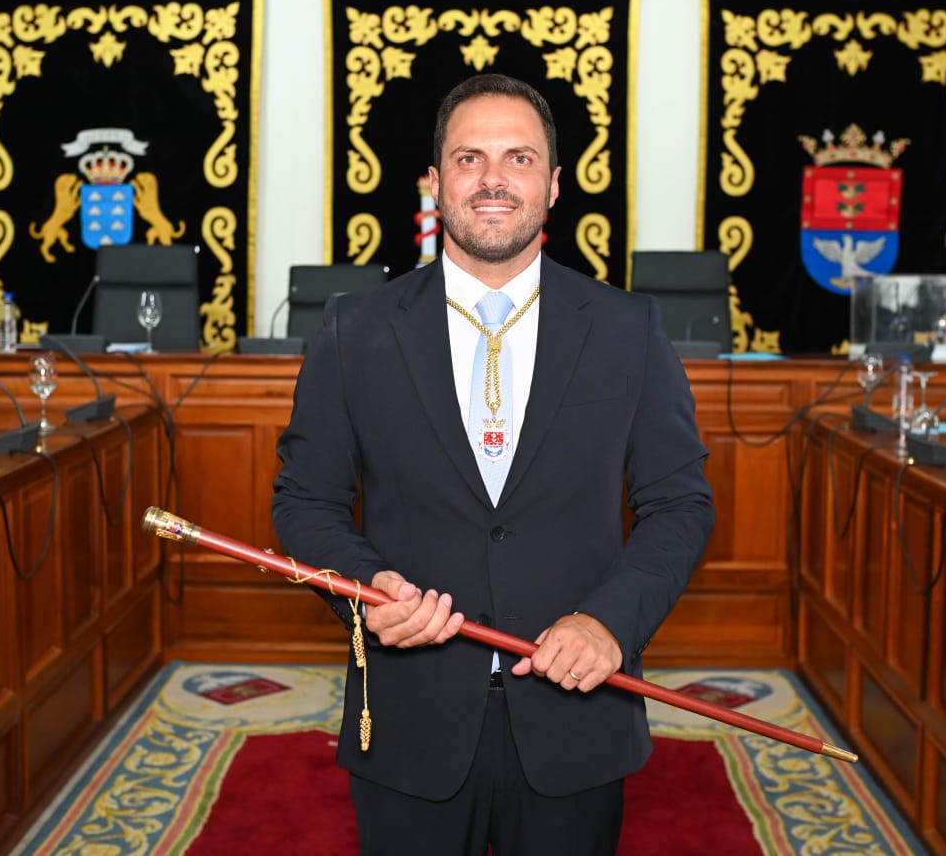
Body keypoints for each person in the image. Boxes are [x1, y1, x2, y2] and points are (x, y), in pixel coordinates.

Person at [272, 73, 714, 855]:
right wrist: (362, 589)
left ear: (552, 183)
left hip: (576, 713)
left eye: (518, 158)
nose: (494, 180)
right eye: (469, 159)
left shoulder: (627, 328)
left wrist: (608, 621)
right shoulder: (353, 330)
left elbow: (679, 504)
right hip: (409, 714)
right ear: (436, 183)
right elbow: (305, 502)